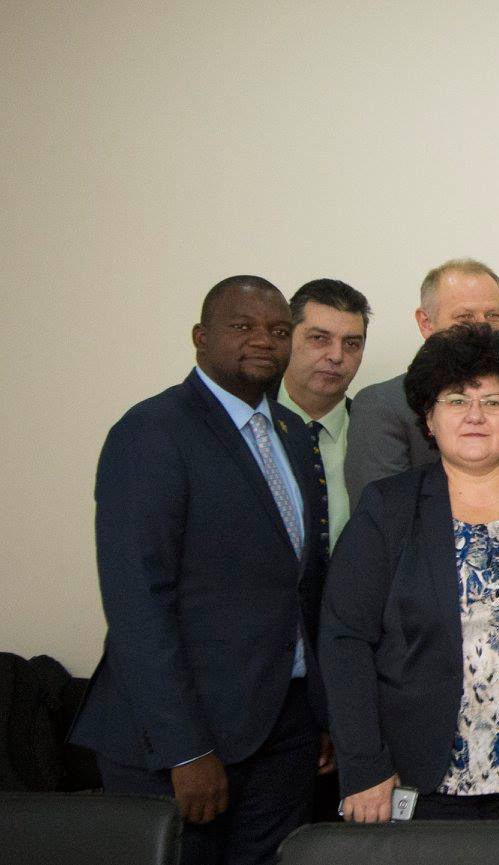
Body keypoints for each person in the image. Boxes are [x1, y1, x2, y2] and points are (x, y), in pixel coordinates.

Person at [72, 276, 331, 865]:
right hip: (187, 738)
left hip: (284, 728)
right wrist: (184, 749)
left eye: (278, 330)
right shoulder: (152, 432)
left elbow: (301, 584)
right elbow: (137, 602)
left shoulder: (291, 434)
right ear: (200, 337)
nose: (263, 340)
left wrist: (319, 712)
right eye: (242, 326)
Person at [320, 325, 499, 827]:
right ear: (429, 417)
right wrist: (364, 765)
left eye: (493, 402)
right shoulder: (388, 507)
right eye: (456, 400)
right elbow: (345, 641)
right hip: (415, 775)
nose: (475, 415)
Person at [344, 258, 499, 509]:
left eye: (493, 315)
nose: (482, 328)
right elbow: (383, 513)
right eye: (464, 316)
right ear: (426, 323)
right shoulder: (382, 405)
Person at [278, 278, 372, 551]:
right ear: (287, 338)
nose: (336, 356)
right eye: (319, 339)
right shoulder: (250, 426)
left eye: (351, 343)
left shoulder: (373, 432)